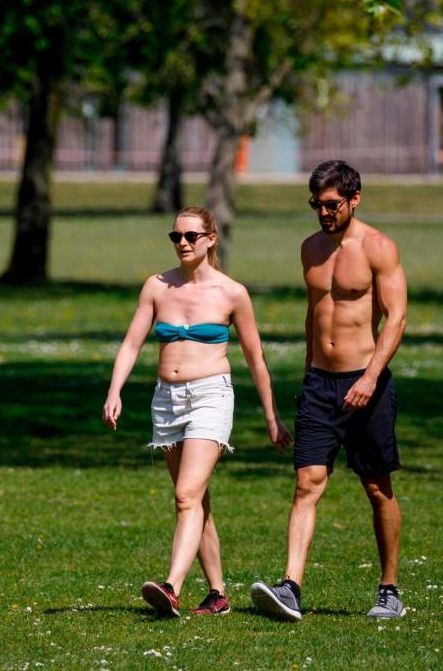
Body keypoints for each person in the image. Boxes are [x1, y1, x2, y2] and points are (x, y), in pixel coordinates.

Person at [103, 206, 291, 618]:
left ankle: (171, 587)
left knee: (185, 495)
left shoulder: (232, 293)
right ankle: (218, 594)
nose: (183, 244)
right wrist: (115, 390)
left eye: (190, 236)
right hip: (166, 400)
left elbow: (256, 358)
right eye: (176, 237)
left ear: (210, 239)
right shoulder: (156, 287)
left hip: (211, 396)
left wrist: (271, 416)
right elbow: (132, 343)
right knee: (196, 499)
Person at [250, 159, 409, 622]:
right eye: (316, 205)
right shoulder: (310, 249)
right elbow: (314, 314)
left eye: (332, 204)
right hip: (320, 384)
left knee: (377, 488)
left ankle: (389, 589)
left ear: (354, 199)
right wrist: (307, 371)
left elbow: (396, 318)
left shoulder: (379, 247)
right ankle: (291, 587)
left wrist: (370, 376)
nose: (323, 213)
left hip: (367, 382)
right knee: (306, 483)